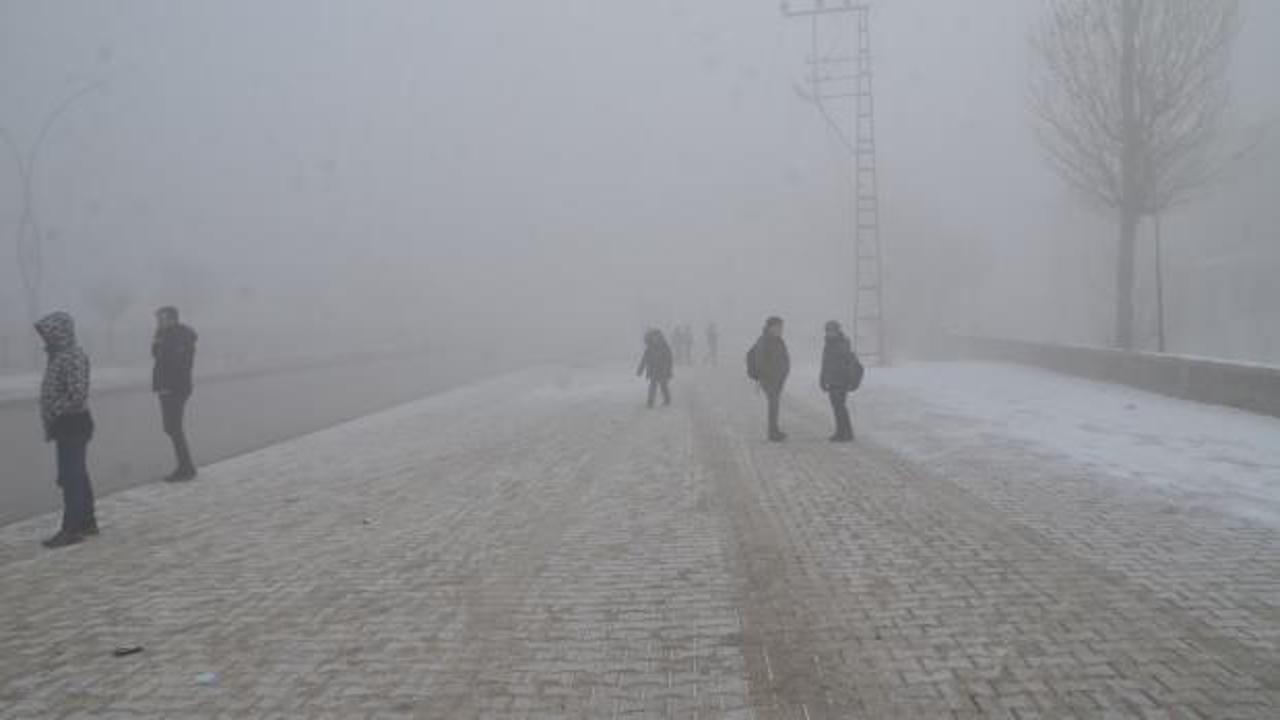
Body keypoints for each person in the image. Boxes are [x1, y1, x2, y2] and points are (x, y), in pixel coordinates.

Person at [34, 311, 97, 548]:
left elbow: (77, 395)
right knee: (76, 475)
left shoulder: (72, 356)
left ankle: (71, 529)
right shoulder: (59, 355)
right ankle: (87, 522)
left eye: (48, 333)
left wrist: (55, 409)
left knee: (71, 478)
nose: (45, 338)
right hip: (65, 424)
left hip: (73, 423)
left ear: (59, 333)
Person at [152, 306, 198, 481]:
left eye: (161, 318)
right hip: (169, 388)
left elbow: (176, 364)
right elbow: (156, 355)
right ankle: (186, 466)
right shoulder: (165, 334)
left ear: (172, 318)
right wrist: (158, 337)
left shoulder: (178, 336)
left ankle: (186, 468)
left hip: (175, 388)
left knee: (174, 428)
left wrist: (168, 387)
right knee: (171, 428)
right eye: (157, 319)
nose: (158, 322)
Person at [747, 316, 790, 441]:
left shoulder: (778, 340)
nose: (780, 329)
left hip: (778, 378)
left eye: (781, 327)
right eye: (778, 327)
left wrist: (785, 371)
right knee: (773, 404)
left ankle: (774, 430)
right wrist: (769, 375)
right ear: (771, 327)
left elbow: (784, 356)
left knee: (774, 405)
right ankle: (773, 432)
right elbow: (760, 361)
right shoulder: (764, 340)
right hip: (769, 379)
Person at [820, 320, 861, 442]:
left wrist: (850, 381)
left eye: (832, 330)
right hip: (832, 380)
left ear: (838, 331)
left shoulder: (841, 344)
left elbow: (849, 364)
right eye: (828, 330)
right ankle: (842, 432)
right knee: (837, 408)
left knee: (840, 408)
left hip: (841, 381)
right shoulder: (828, 344)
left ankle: (845, 433)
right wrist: (822, 379)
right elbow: (825, 364)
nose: (830, 333)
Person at [636, 328, 674, 408]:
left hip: (663, 369)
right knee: (653, 386)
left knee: (663, 385)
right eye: (653, 338)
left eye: (656, 337)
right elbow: (644, 359)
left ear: (659, 337)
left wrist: (668, 369)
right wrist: (640, 369)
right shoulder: (649, 348)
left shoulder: (664, 347)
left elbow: (669, 359)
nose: (655, 339)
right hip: (653, 369)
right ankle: (650, 402)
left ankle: (667, 400)